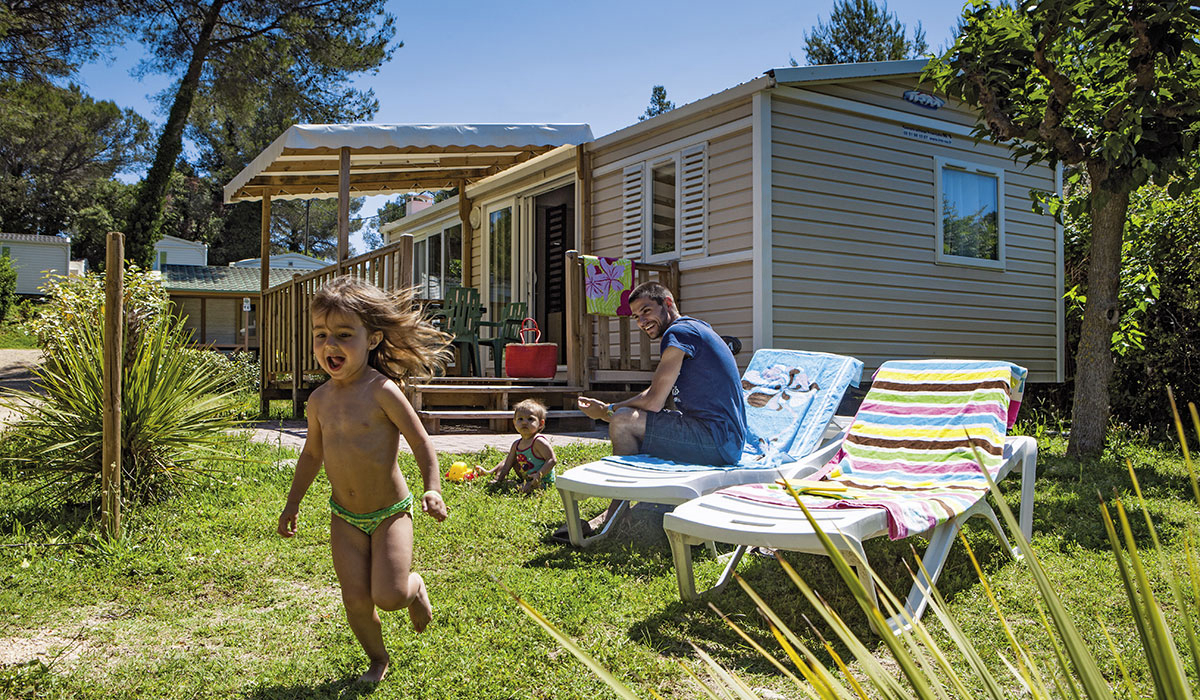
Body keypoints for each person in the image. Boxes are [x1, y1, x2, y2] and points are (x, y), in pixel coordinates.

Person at [277, 276, 452, 683]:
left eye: (343, 334)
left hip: (390, 513)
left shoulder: (383, 391)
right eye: (321, 335)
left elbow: (421, 442)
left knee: (388, 596)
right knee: (356, 600)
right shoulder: (319, 400)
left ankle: (415, 587)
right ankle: (377, 659)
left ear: (372, 339)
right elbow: (312, 455)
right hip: (345, 516)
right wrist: (292, 503)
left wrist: (432, 488)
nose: (329, 345)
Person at [574, 281, 746, 533]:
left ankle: (615, 514)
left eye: (646, 311)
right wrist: (610, 408)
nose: (642, 322)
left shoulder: (679, 334)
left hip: (714, 438)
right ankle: (623, 507)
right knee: (628, 416)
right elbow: (653, 393)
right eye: (636, 317)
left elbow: (653, 402)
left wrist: (608, 411)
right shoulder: (694, 328)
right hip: (724, 439)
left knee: (623, 421)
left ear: (667, 303)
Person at [481, 398, 558, 494]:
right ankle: (509, 481)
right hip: (526, 477)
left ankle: (521, 485)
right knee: (510, 459)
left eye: (530, 419)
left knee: (523, 489)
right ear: (514, 422)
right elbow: (507, 464)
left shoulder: (538, 441)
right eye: (520, 419)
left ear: (541, 424)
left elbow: (552, 460)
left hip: (542, 481)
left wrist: (539, 475)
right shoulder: (516, 444)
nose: (524, 422)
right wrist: (498, 480)